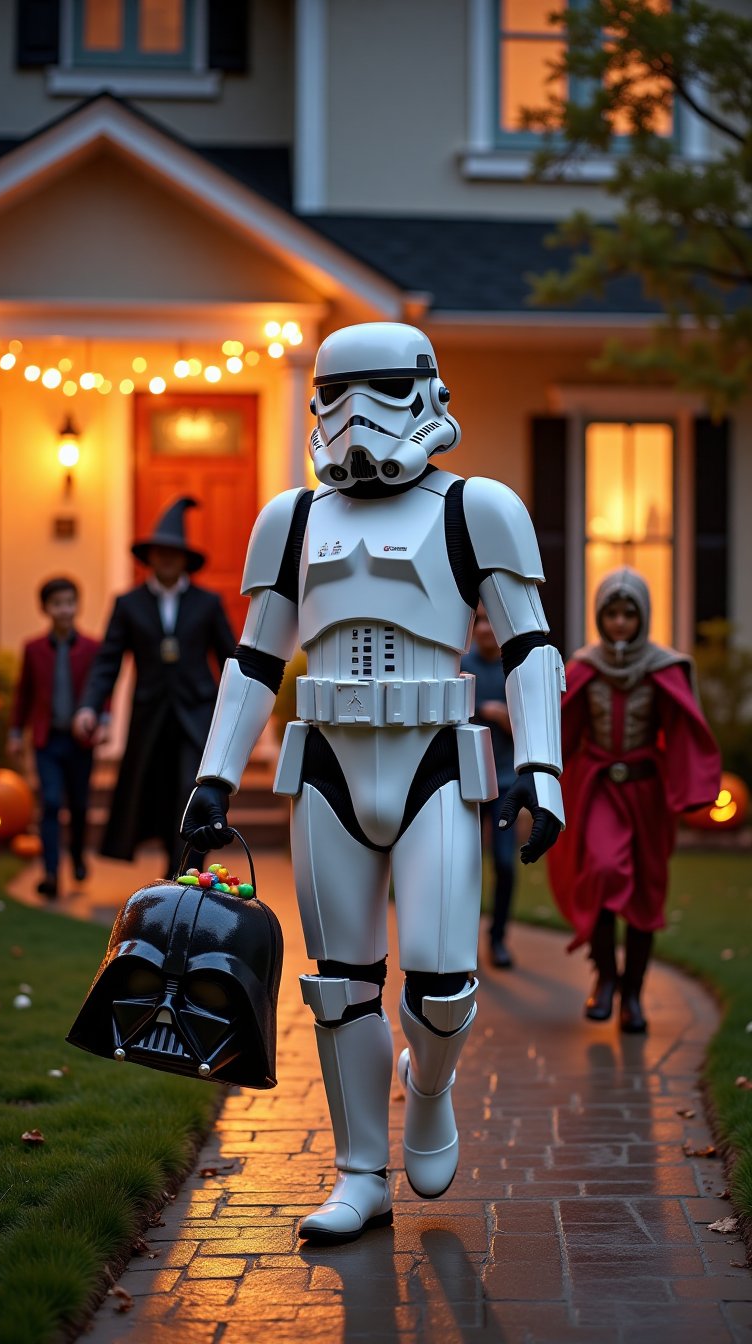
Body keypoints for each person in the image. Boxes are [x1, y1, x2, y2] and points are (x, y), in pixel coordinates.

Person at [181, 321, 566, 1243]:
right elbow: (252, 658)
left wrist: (543, 771)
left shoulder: (479, 509)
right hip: (327, 760)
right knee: (339, 981)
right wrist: (213, 777)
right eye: (335, 395)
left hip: (437, 755)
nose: (355, 419)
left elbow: (529, 644)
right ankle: (360, 1172)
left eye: (379, 390)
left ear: (427, 391)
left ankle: (428, 1087)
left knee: (440, 984)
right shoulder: (294, 519)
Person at [547, 567, 721, 1033]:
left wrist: (695, 787)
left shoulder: (664, 666)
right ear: (600, 617)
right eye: (612, 614)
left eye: (629, 613)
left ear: (642, 616)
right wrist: (542, 777)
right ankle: (605, 978)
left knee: (645, 893)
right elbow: (564, 731)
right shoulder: (584, 666)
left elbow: (684, 730)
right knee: (603, 872)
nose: (620, 623)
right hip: (600, 788)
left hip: (648, 793)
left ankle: (633, 997)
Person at [73, 498, 236, 875]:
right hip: (150, 717)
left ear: (185, 560)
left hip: (197, 715)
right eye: (159, 553)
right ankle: (172, 868)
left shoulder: (207, 603)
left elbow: (231, 659)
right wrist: (90, 707)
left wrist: (238, 713)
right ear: (149, 557)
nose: (166, 559)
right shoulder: (128, 604)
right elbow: (107, 662)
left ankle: (187, 873)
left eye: (173, 553)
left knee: (190, 790)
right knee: (158, 795)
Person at [8, 576, 105, 899]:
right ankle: (50, 872)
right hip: (47, 740)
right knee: (50, 802)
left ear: (77, 605)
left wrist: (102, 720)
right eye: (57, 604)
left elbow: (101, 688)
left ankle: (77, 854)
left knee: (78, 804)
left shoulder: (92, 647)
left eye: (69, 602)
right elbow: (24, 694)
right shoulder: (33, 648)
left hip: (80, 741)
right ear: (45, 608)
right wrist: (14, 732)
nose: (64, 610)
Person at [461, 603, 519, 969]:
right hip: (468, 781)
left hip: (507, 783)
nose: (484, 628)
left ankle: (497, 939)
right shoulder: (461, 665)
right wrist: (491, 710)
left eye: (490, 621)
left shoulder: (514, 667)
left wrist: (504, 715)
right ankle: (463, 944)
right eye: (478, 620)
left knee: (504, 864)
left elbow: (528, 724)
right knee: (464, 866)